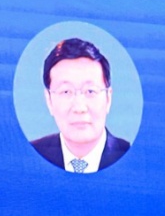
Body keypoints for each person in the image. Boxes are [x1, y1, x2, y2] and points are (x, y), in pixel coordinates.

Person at [30, 37, 131, 173]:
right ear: (49, 100)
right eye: (66, 92)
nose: (79, 108)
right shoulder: (30, 156)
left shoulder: (132, 156)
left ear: (108, 98)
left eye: (90, 91)